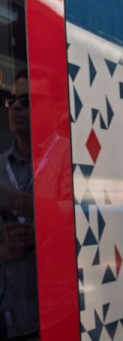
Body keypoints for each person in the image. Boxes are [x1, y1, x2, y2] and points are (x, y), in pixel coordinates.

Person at [0, 71, 38, 340]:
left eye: (25, 100)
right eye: (12, 100)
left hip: (49, 314)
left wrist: (19, 202)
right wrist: (4, 250)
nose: (15, 107)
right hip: (7, 315)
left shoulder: (64, 161)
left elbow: (78, 220)